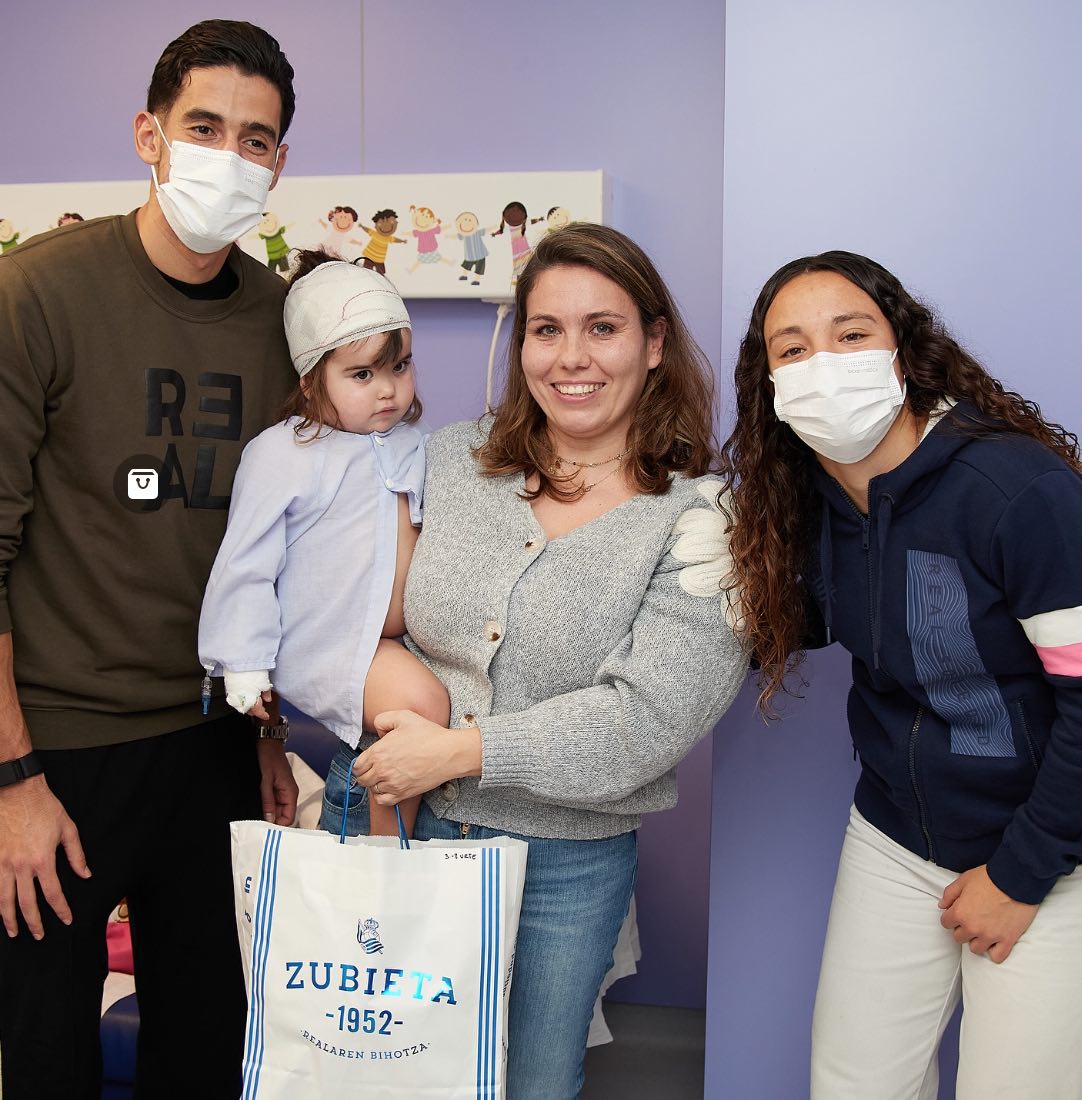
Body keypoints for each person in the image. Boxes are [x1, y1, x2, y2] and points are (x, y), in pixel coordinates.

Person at [339, 223, 748, 1098]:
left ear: (655, 342)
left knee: (529, 1085)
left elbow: (642, 725)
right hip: (391, 818)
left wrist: (456, 750)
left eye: (603, 327)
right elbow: (362, 614)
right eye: (547, 328)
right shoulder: (448, 459)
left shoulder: (700, 524)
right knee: (371, 1078)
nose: (573, 357)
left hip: (559, 866)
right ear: (521, 340)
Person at [0, 20, 300, 1099]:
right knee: (45, 1054)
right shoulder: (37, 294)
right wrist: (11, 781)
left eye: (256, 138)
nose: (230, 155)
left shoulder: (282, 321)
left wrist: (265, 732)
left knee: (205, 1046)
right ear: (149, 133)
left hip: (213, 740)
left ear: (278, 163)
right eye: (205, 126)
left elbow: (278, 547)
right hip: (58, 753)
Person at [719, 250, 1082, 1100]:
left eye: (851, 335)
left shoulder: (1016, 490)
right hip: (895, 833)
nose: (826, 365)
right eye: (794, 349)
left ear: (901, 351)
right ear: (768, 379)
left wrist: (1021, 873)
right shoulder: (800, 499)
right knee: (855, 1084)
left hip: (1048, 849)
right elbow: (814, 618)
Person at [199, 250, 449, 838]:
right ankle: (387, 848)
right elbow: (247, 563)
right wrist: (245, 663)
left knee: (452, 701)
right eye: (362, 375)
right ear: (311, 380)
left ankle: (397, 840)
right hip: (328, 637)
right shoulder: (283, 453)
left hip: (394, 637)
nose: (388, 391)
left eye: (401, 367)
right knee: (418, 705)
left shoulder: (415, 438)